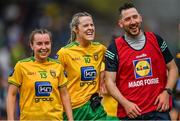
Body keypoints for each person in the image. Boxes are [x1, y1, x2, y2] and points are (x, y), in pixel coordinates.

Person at [105, 2, 178, 120]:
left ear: (140, 18)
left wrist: (167, 92)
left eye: (135, 17)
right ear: (121, 23)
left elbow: (173, 68)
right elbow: (109, 81)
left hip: (158, 112)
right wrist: (125, 104)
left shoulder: (156, 40)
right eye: (127, 19)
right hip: (130, 114)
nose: (133, 22)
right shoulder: (114, 48)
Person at [6, 29, 73, 121]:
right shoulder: (21, 66)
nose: (44, 47)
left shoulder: (58, 66)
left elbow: (64, 95)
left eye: (47, 43)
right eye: (39, 44)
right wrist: (10, 119)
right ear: (31, 45)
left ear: (51, 44)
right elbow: (11, 94)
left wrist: (71, 119)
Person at [56, 12, 107, 120]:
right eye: (85, 25)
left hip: (95, 108)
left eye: (92, 25)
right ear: (75, 29)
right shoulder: (64, 53)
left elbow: (117, 66)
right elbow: (52, 79)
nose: (90, 28)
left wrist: (105, 78)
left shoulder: (100, 49)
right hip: (74, 110)